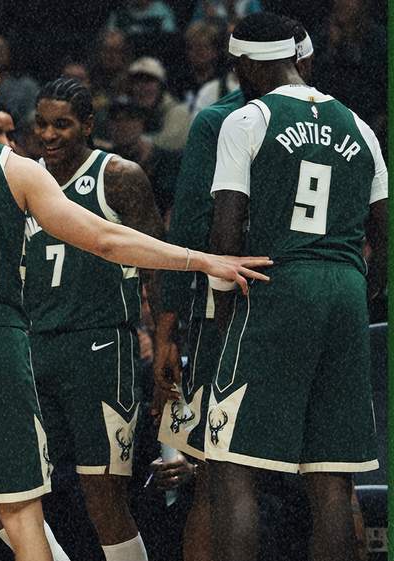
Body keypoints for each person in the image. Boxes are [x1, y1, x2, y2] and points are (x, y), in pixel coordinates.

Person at [0, 49, 271, 561]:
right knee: (22, 515)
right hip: (0, 348)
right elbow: (106, 240)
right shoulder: (17, 171)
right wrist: (201, 260)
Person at [206, 13, 387, 561]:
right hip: (346, 290)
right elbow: (386, 236)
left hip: (279, 284)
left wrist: (222, 312)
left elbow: (225, 232)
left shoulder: (248, 119)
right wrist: (359, 294)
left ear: (244, 64)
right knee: (331, 477)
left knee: (232, 464)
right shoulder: (360, 126)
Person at [154, 20, 316, 561]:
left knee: (215, 474)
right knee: (329, 480)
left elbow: (190, 227)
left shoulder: (219, 121)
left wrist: (167, 328)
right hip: (309, 306)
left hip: (226, 310)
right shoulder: (341, 123)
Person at [24, 77, 165, 561]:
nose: (49, 134)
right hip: (34, 349)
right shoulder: (21, 179)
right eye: (41, 124)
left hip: (101, 349)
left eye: (61, 124)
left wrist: (165, 344)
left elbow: (158, 267)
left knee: (103, 497)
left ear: (87, 125)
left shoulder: (118, 176)